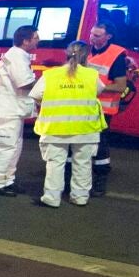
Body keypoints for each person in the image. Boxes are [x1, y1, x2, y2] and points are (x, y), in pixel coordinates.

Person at [29, 40, 116, 208]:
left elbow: (36, 95)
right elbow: (98, 91)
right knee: (82, 164)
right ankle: (80, 197)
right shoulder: (92, 75)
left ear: (66, 54)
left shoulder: (51, 75)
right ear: (86, 56)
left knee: (55, 164)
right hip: (86, 128)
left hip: (55, 128)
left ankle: (52, 198)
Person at [0, 25, 39, 196]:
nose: (38, 40)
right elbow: (23, 82)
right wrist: (45, 81)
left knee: (13, 147)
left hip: (13, 110)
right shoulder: (17, 56)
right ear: (26, 41)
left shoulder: (18, 55)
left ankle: (7, 180)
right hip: (10, 110)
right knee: (5, 147)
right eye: (36, 37)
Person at [84, 23, 133, 197]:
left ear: (108, 37)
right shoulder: (87, 51)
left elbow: (120, 86)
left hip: (103, 110)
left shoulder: (116, 55)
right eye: (91, 34)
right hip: (85, 107)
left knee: (100, 145)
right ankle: (74, 178)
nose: (92, 38)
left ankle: (100, 179)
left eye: (97, 36)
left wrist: (92, 88)